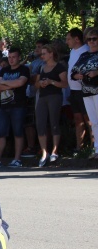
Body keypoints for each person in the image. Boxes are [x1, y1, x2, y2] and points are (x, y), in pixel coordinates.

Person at [0, 48, 30, 168]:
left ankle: (17, 159)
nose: (11, 59)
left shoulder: (24, 69)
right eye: (9, 57)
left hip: (18, 106)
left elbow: (20, 83)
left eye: (14, 57)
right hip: (4, 106)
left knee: (18, 132)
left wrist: (4, 84)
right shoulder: (3, 70)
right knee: (1, 133)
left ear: (19, 57)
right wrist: (11, 85)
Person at [34, 44, 68, 166]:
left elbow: (64, 84)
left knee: (54, 122)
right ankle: (44, 153)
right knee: (40, 124)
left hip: (55, 96)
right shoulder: (41, 67)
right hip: (42, 97)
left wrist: (51, 82)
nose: (41, 56)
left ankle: (54, 151)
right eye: (41, 54)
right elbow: (36, 84)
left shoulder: (59, 67)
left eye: (44, 53)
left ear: (51, 54)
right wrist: (41, 84)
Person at [70, 28, 98, 158]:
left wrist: (96, 72)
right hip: (86, 92)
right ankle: (97, 149)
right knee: (94, 121)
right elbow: (73, 73)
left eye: (94, 39)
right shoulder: (84, 55)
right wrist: (78, 76)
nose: (92, 42)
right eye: (89, 39)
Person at [66, 28, 91, 155]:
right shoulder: (72, 52)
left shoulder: (86, 50)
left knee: (88, 119)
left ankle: (93, 146)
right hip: (74, 90)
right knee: (77, 118)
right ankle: (79, 147)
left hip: (84, 90)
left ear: (77, 39)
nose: (66, 42)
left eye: (68, 39)